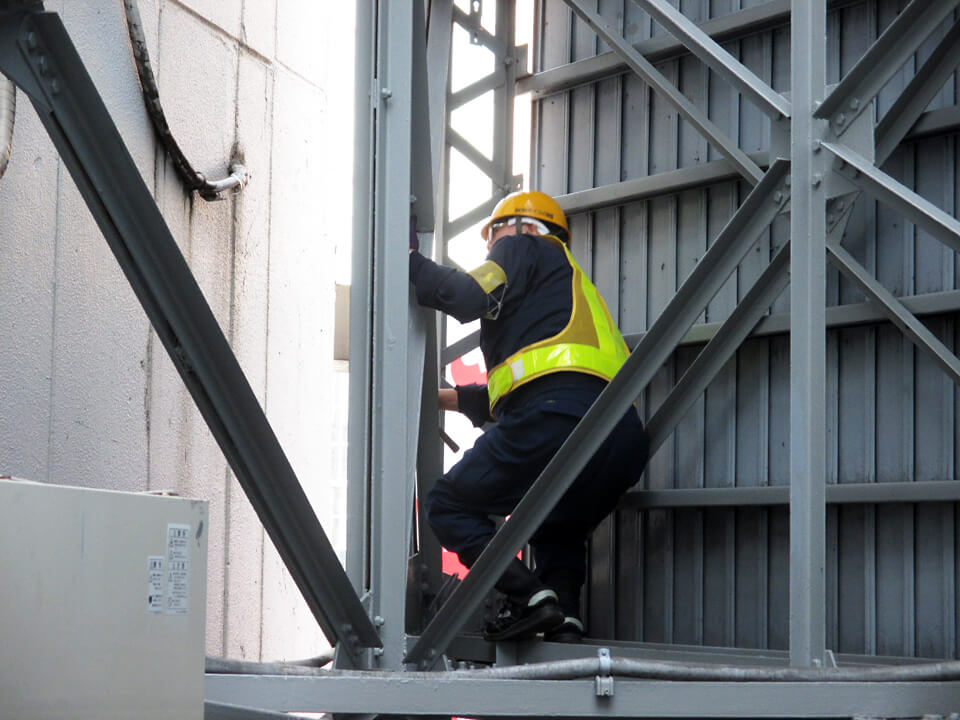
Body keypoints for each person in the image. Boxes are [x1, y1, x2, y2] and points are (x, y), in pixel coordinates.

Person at [409, 190, 649, 642]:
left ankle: (529, 598)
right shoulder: (571, 289)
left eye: (493, 234)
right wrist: (443, 399)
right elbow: (535, 383)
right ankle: (565, 622)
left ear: (519, 226)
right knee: (558, 524)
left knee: (448, 503)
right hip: (619, 441)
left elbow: (466, 295)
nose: (490, 247)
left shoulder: (522, 247)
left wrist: (411, 262)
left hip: (557, 418)